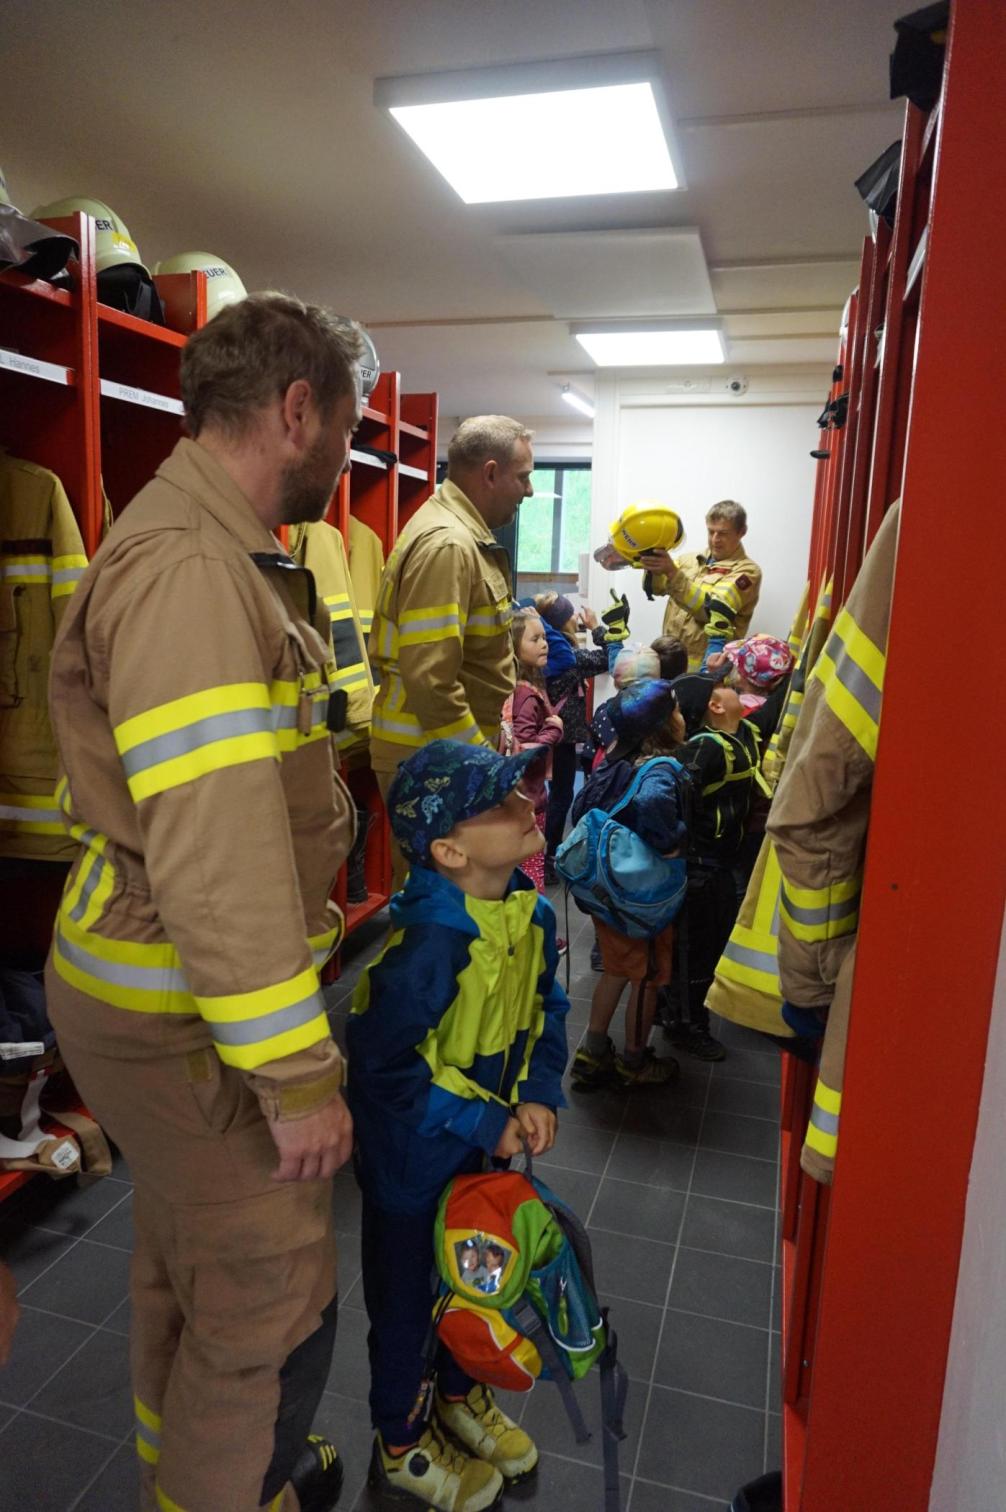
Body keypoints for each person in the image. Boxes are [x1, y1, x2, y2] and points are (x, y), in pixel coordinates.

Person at [44, 293, 362, 1512]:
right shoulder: (192, 572)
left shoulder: (212, 547)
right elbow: (217, 859)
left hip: (166, 995)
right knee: (270, 1297)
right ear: (295, 412)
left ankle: (187, 1480)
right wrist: (297, 1076)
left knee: (187, 1263)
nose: (342, 456)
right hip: (178, 1006)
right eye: (340, 427)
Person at [346, 739, 569, 1512]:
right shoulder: (425, 950)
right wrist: (485, 1121)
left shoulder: (531, 915)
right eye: (498, 804)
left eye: (522, 792)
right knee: (408, 1307)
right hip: (414, 1169)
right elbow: (383, 1072)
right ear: (448, 850)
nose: (526, 805)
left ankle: (458, 1398)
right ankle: (401, 1441)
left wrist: (539, 1092)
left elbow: (549, 1012)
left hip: (484, 1160)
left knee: (477, 1287)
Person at [370, 415, 534, 889]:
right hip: (428, 758)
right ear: (489, 473)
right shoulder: (449, 545)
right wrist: (484, 767)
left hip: (443, 751)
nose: (527, 491)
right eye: (522, 477)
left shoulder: (463, 536)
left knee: (463, 911)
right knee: (443, 914)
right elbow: (431, 680)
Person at [568, 679, 690, 1089]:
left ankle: (592, 1052)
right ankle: (634, 1062)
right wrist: (671, 843)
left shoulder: (616, 760)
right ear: (664, 725)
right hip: (641, 897)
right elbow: (654, 804)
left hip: (609, 893)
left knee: (617, 971)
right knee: (648, 976)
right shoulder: (658, 769)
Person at [666, 672, 787, 1061]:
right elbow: (673, 795)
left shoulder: (744, 735)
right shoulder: (706, 750)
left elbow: (770, 712)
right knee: (696, 948)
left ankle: (679, 1009)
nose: (737, 690)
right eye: (729, 689)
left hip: (722, 863)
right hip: (700, 865)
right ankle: (685, 1024)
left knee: (711, 941)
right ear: (716, 707)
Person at [536, 592, 611, 881]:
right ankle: (549, 855)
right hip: (563, 740)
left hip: (536, 733)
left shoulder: (539, 659)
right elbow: (610, 656)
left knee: (533, 792)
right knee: (560, 796)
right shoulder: (573, 661)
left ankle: (530, 853)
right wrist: (596, 627)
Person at [640, 501, 762, 672]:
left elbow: (711, 611)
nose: (715, 539)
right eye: (711, 531)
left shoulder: (747, 572)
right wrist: (649, 560)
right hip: (665, 665)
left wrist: (673, 573)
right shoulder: (688, 560)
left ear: (742, 532)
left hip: (705, 673)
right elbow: (657, 589)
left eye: (723, 533)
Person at [502, 608, 564, 896]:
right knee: (531, 867)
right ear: (514, 647)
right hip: (528, 796)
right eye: (535, 638)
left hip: (522, 794)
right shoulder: (526, 695)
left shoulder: (521, 686)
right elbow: (524, 746)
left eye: (545, 637)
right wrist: (554, 729)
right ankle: (534, 931)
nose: (545, 643)